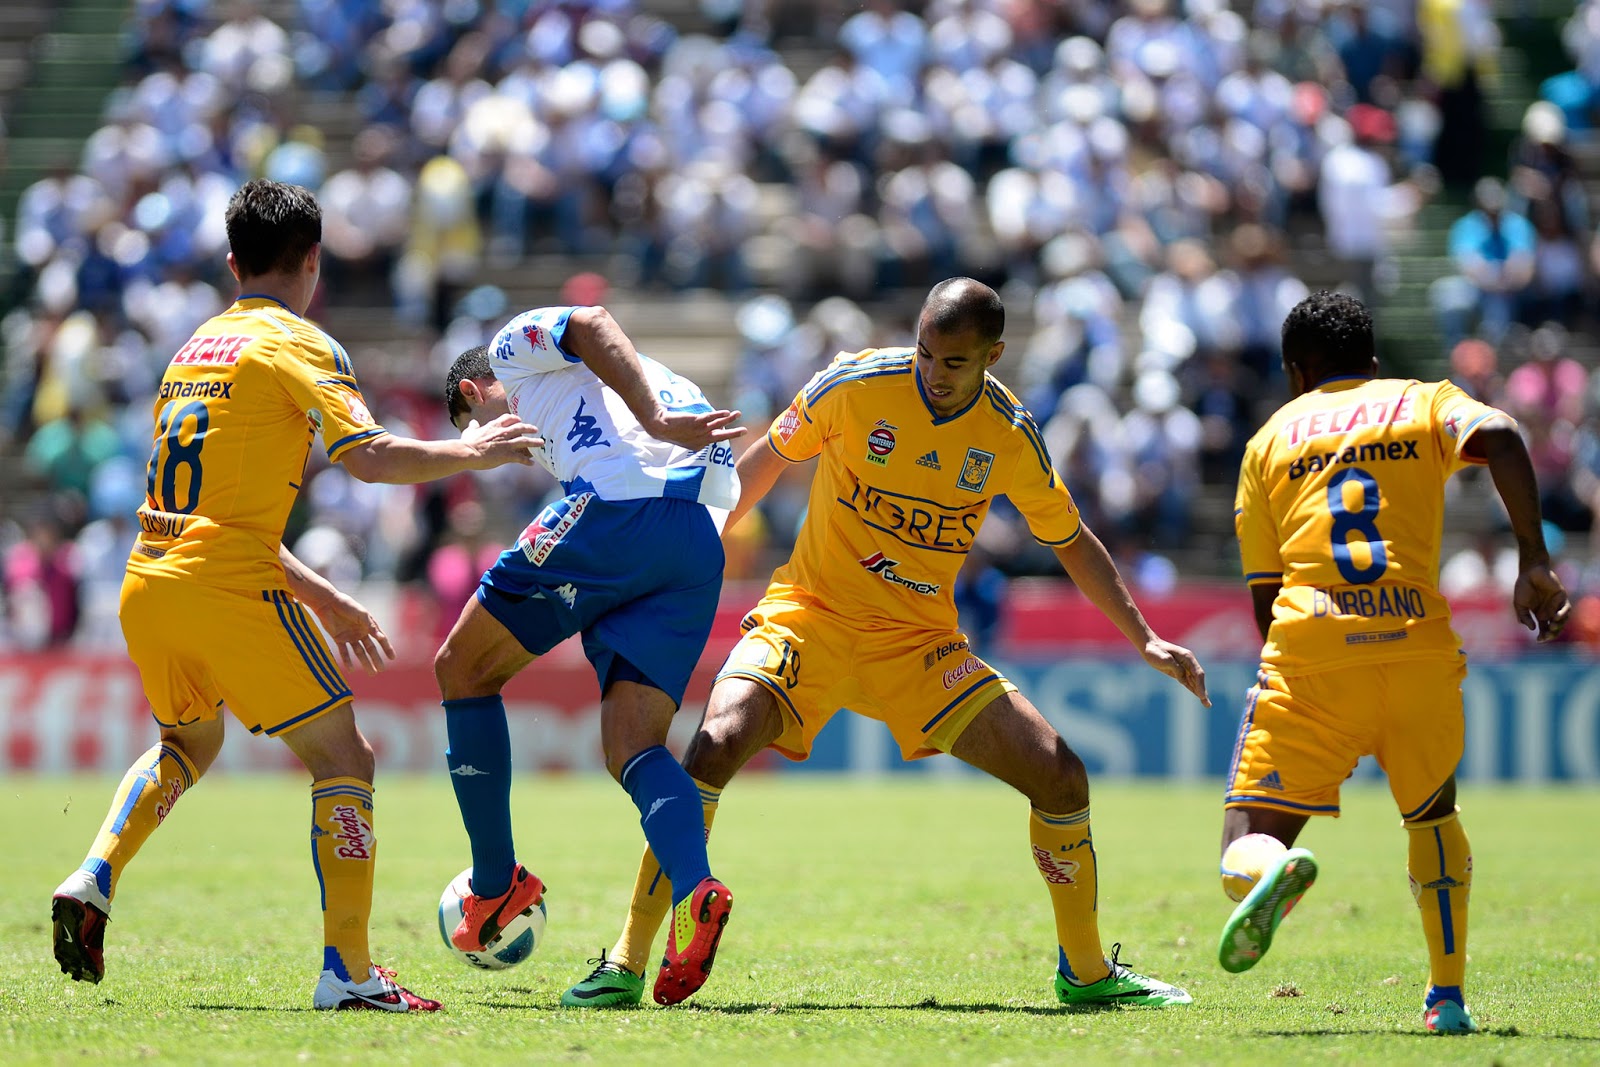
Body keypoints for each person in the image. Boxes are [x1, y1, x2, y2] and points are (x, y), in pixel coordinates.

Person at [563, 277, 1211, 1009]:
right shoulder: (856, 383)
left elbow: (1071, 539)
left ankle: (1087, 973)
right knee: (711, 746)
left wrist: (1146, 636)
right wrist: (683, 547)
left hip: (917, 644)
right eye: (927, 352)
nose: (934, 373)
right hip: (809, 616)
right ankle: (625, 959)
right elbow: (764, 464)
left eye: (955, 362)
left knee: (1062, 777)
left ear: (994, 354)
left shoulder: (1008, 432)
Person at [48, 179, 544, 1013]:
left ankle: (93, 872)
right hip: (227, 584)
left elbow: (215, 512)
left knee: (186, 743)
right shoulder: (301, 344)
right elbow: (372, 458)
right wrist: (478, 452)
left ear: (232, 262)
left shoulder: (195, 345)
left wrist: (327, 600)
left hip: (147, 577)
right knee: (345, 761)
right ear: (313, 262)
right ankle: (349, 972)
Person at [1219, 291, 1570, 1035]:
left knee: (1243, 841)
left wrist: (1298, 670)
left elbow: (1265, 597)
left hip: (1312, 651)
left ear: (1293, 372)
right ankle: (1447, 998)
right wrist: (1533, 559)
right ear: (1373, 363)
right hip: (1416, 645)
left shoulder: (1269, 440)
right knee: (1434, 814)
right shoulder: (1421, 401)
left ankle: (1268, 869)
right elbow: (1503, 436)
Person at [436, 303, 747, 1006]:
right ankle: (697, 889)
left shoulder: (508, 351)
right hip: (696, 542)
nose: (494, 452)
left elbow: (593, 321)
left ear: (470, 394)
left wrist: (659, 424)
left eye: (475, 432)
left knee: (460, 668)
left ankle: (493, 885)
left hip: (618, 509)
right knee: (631, 743)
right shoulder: (606, 394)